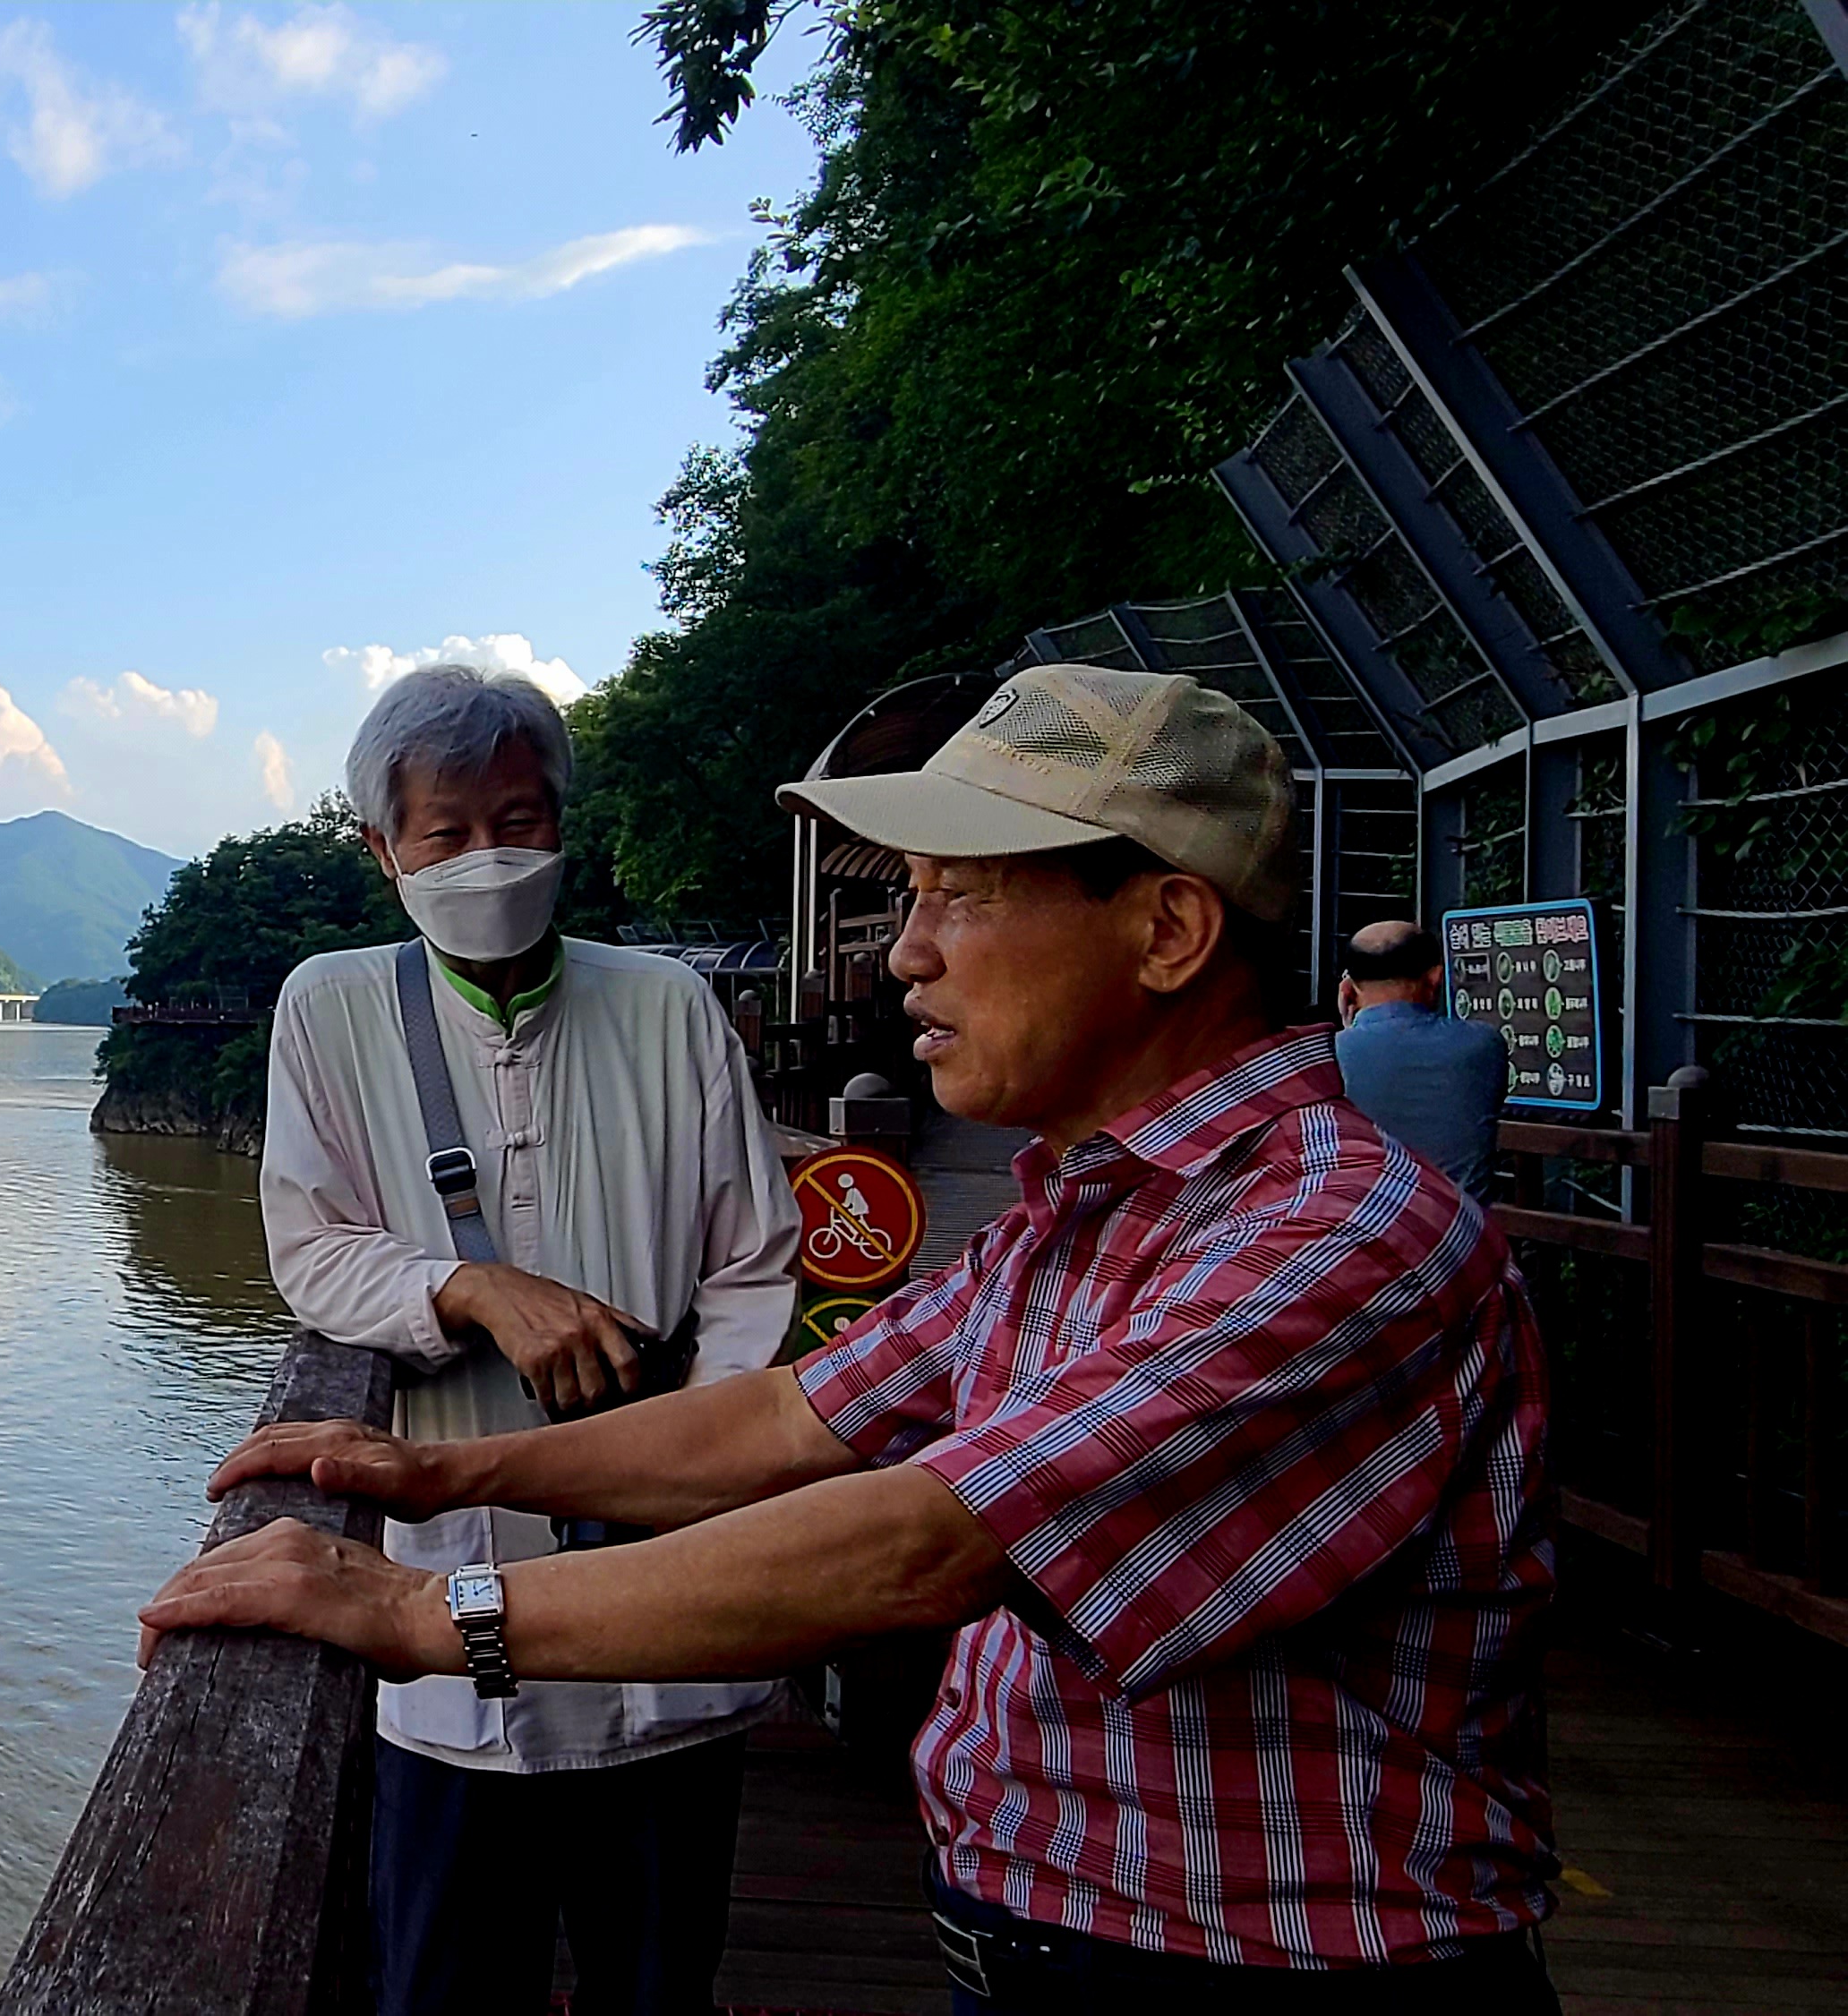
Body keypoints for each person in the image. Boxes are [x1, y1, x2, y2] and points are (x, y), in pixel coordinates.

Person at [150, 665, 1561, 2013]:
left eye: (962, 896)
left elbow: (923, 1543)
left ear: (1167, 932)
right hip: (1061, 1943)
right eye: (911, 897)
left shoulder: (1334, 1240)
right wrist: (443, 1475)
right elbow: (786, 1419)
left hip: (1272, 1979)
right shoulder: (1072, 1224)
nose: (907, 951)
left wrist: (410, 1612)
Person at [258, 663, 801, 2016]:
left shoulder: (666, 1005)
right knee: (446, 1981)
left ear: (563, 821)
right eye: (446, 831)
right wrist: (470, 1288)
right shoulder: (331, 1006)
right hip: (450, 1617)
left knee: (656, 1981)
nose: (488, 857)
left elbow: (754, 1263)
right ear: (383, 850)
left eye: (518, 819)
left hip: (670, 1602)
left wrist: (694, 1447)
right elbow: (311, 1248)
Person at [1334, 918, 1509, 1198]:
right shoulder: (1483, 1044)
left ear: (1348, 990)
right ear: (1435, 977)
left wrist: (1349, 1029)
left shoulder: (1331, 1054)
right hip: (1461, 1220)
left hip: (1361, 1218)